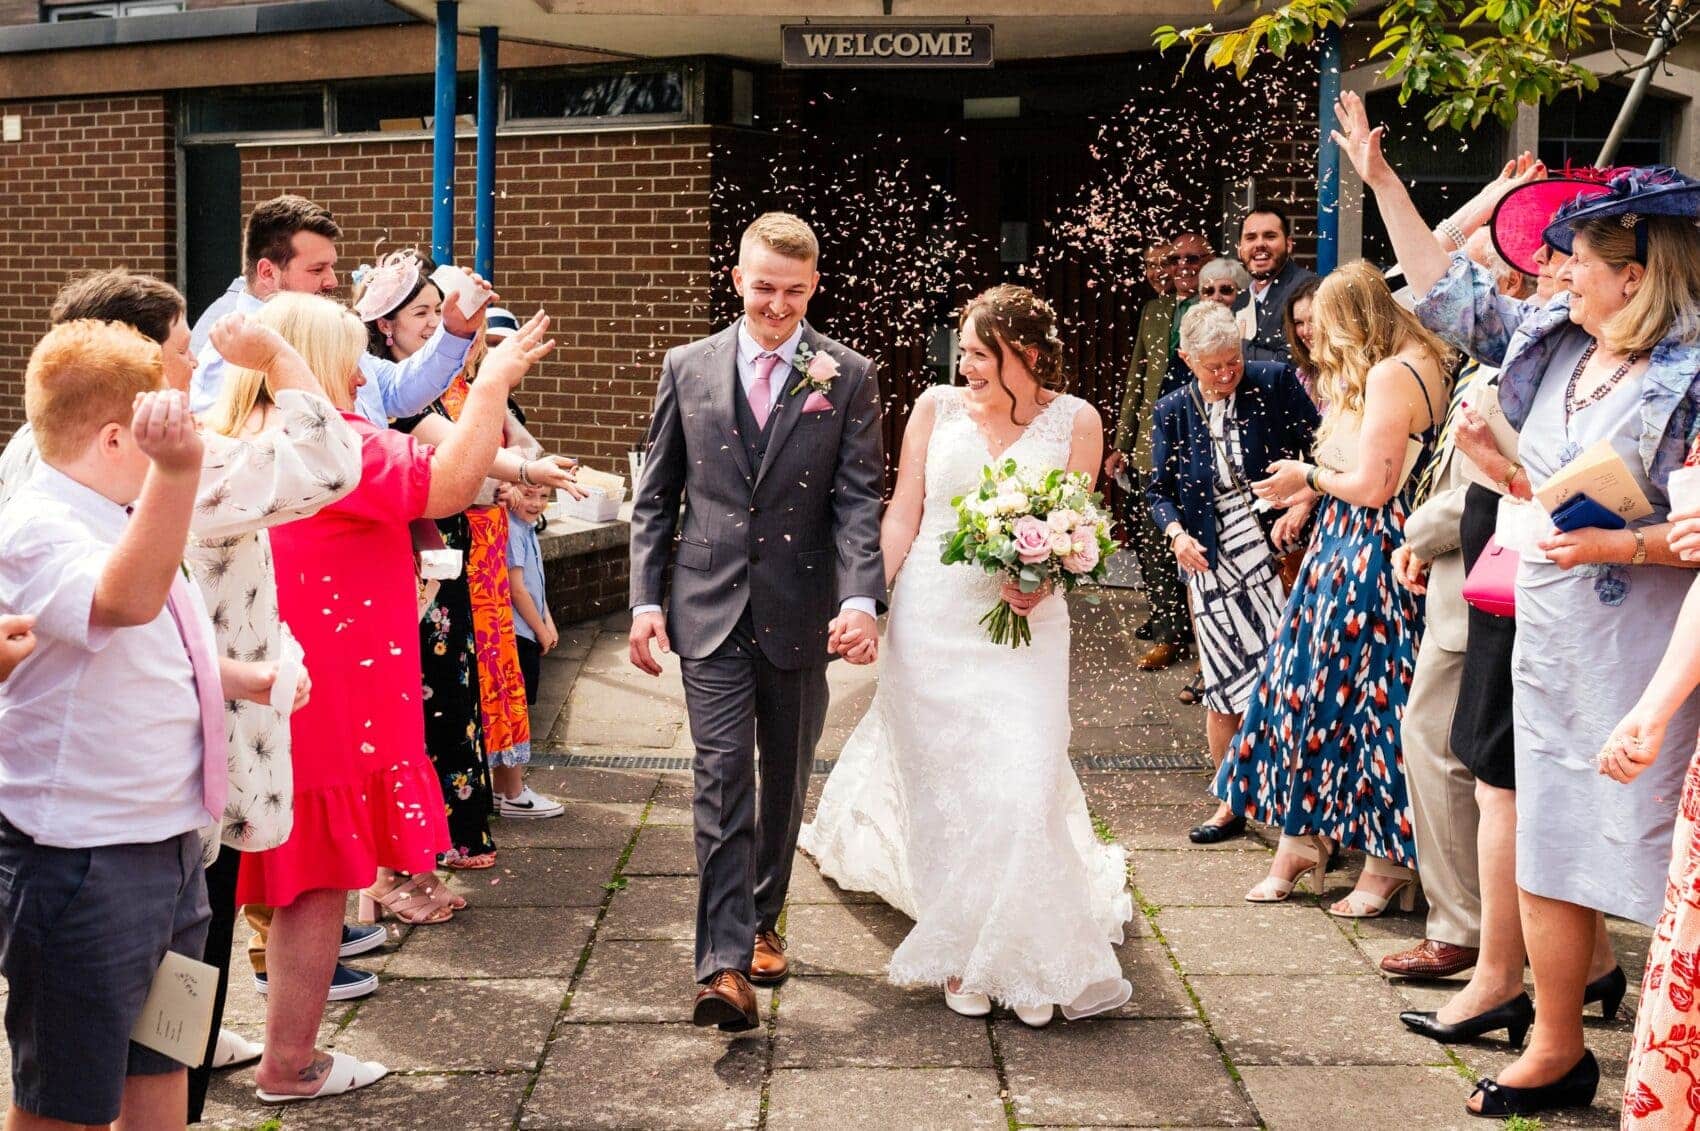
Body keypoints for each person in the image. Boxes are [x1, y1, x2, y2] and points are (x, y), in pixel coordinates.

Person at [1344, 87, 1700, 1116]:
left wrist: (1617, 540)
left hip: (1645, 645)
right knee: (1546, 845)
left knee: (1648, 855)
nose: (1553, 270)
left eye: (1573, 260)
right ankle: (1554, 1045)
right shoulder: (1551, 340)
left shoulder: (1688, 376)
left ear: (1631, 278)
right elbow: (1442, 294)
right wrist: (1382, 187)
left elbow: (1691, 534)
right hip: (1546, 631)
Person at [236, 297, 555, 1104]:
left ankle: (191, 1043)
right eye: (349, 357)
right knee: (315, 884)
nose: (360, 374)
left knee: (221, 874)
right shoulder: (333, 445)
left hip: (258, 689)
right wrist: (493, 385)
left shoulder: (237, 439)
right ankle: (291, 1063)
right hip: (333, 700)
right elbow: (446, 484)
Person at [801, 284, 1133, 1027]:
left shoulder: (1077, 419)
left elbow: (1080, 519)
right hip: (933, 621)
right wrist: (868, 602)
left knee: (1022, 779)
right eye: (965, 350)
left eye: (983, 353)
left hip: (1026, 628)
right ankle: (962, 947)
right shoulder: (935, 407)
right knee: (948, 787)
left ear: (1029, 355)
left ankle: (1023, 943)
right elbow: (905, 512)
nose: (967, 364)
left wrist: (1044, 576)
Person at [0, 321, 275, 1131]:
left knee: (162, 1065)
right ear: (118, 435)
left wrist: (245, 677)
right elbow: (123, 601)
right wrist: (178, 471)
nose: (185, 433)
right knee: (65, 1101)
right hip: (83, 863)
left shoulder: (121, 509)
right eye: (168, 420)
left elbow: (160, 646)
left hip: (168, 852)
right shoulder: (36, 524)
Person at [628, 212, 885, 1034]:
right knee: (721, 778)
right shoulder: (687, 366)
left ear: (814, 288)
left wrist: (858, 598)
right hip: (706, 608)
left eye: (794, 291)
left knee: (784, 780)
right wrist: (643, 602)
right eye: (764, 286)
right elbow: (656, 497)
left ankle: (766, 916)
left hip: (801, 607)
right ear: (737, 278)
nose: (776, 305)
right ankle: (723, 964)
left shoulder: (846, 375)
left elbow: (855, 499)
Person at [1221, 259, 1450, 916]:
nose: (1316, 345)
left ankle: (1383, 860)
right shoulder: (1419, 358)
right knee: (1315, 690)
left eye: (1323, 329)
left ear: (1352, 320)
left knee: (1367, 705)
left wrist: (1309, 477)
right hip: (1354, 544)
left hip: (1369, 548)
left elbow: (1372, 487)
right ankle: (1303, 840)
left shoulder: (1389, 374)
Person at [358, 255, 581, 855]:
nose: (435, 324)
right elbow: (456, 459)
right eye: (422, 314)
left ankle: (461, 821)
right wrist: (518, 474)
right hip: (422, 553)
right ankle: (426, 840)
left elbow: (497, 441)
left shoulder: (438, 385)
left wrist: (528, 474)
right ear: (385, 324)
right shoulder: (395, 393)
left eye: (441, 312)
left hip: (468, 549)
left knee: (470, 682)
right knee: (435, 692)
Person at [1380, 228, 1536, 987]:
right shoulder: (1481, 358)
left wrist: (1418, 531)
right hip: (1455, 572)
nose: (1459, 285)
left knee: (1446, 749)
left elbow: (1491, 479)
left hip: (1484, 580)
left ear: (1507, 284)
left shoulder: (1516, 368)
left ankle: (1462, 926)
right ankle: (1579, 956)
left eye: (1475, 270)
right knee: (1463, 753)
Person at [1146, 302, 1318, 845]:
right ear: (1186, 359)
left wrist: (1304, 500)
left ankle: (1300, 807)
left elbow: (1322, 447)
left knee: (1286, 679)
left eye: (1232, 362)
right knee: (1222, 685)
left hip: (1275, 550)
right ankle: (1230, 803)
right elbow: (1158, 492)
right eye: (1213, 366)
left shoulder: (1272, 380)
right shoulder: (1173, 409)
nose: (1225, 374)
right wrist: (1176, 534)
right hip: (1212, 559)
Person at [188, 194, 489, 427]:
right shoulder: (229, 351)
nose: (332, 280)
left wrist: (455, 331)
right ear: (267, 272)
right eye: (317, 269)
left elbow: (395, 390)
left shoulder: (324, 328)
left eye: (331, 266)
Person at [1107, 232, 1211, 672]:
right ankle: (1167, 626)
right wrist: (1121, 444)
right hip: (1153, 442)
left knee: (1192, 537)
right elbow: (1137, 380)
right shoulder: (1154, 312)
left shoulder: (1220, 309)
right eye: (1174, 260)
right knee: (1151, 538)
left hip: (1200, 440)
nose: (1182, 266)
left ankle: (1191, 626)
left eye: (1193, 259)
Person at [1233, 205, 1317, 365]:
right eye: (1250, 238)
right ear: (1239, 249)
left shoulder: (1308, 290)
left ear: (1289, 244)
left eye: (1270, 236)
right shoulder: (1240, 301)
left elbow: (1291, 363)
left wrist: (1235, 348)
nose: (1259, 244)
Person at [508, 482, 557, 714]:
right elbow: (516, 590)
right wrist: (541, 630)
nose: (537, 503)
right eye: (528, 495)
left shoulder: (527, 527)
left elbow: (536, 585)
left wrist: (548, 622)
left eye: (544, 496)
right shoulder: (512, 531)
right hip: (519, 632)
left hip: (531, 628)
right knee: (519, 706)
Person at [1282, 276, 1322, 405]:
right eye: (1299, 322)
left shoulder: (1356, 375)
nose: (1306, 331)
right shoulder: (1303, 376)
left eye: (1313, 320)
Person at [1197, 257, 1257, 341]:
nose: (1216, 297)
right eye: (1209, 291)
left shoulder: (1254, 324)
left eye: (1226, 290)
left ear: (1241, 292)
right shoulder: (1193, 326)